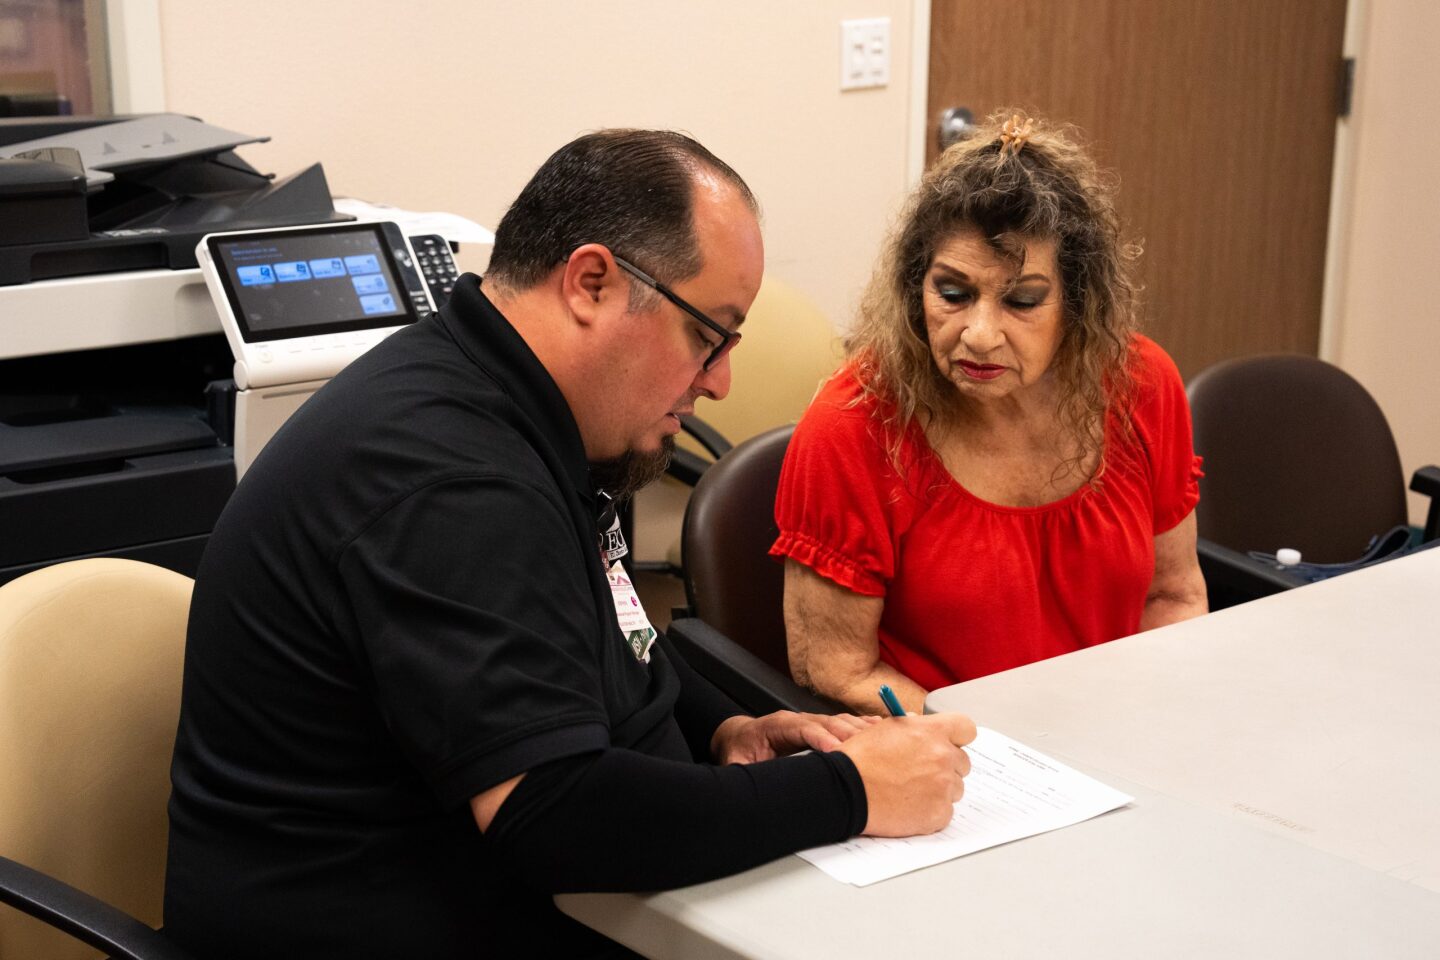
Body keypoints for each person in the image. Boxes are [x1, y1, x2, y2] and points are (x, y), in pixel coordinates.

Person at [163, 129, 976, 960]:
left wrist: (726, 729)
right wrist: (847, 792)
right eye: (709, 334)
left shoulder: (525, 414)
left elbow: (612, 630)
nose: (721, 379)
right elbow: (551, 812)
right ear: (592, 283)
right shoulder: (449, 481)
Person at [773, 114, 1208, 716]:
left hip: (1121, 731)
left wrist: (1147, 723)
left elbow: (1173, 595)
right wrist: (1002, 757)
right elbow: (835, 669)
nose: (979, 335)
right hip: (954, 756)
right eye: (952, 293)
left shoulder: (1140, 384)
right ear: (913, 286)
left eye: (1022, 301)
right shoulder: (853, 424)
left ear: (1077, 302)